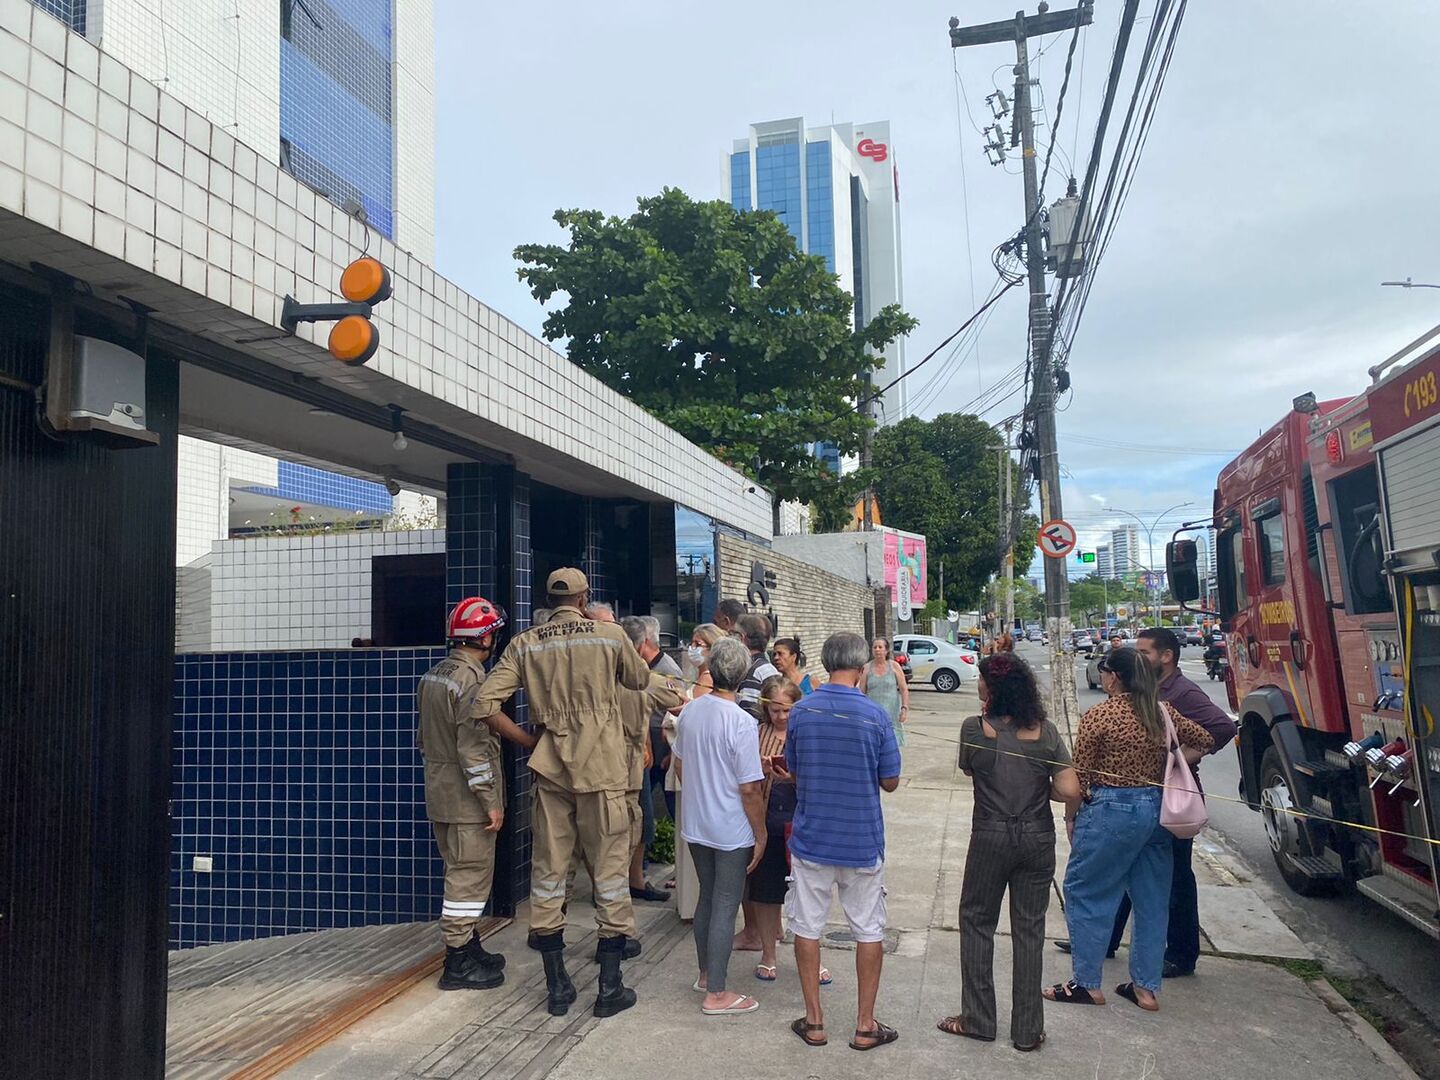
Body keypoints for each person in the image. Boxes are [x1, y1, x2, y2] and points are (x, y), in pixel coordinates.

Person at [468, 568, 652, 1019]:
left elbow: (483, 704)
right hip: (605, 770)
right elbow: (641, 680)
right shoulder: (609, 635)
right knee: (609, 873)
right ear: (585, 597)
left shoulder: (525, 643)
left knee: (549, 875)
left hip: (550, 771)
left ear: (548, 599)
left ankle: (558, 987)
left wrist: (530, 742)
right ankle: (609, 989)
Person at [1044, 647, 1212, 1012]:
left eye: (1104, 670)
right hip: (1156, 811)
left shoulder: (1099, 716)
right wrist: (1173, 763)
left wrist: (1070, 817)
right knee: (1151, 900)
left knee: (1086, 891)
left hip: (1110, 810)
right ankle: (1145, 988)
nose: (1102, 676)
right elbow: (1205, 739)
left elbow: (1080, 779)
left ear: (1114, 677)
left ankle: (1086, 983)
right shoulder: (1162, 712)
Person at [938, 653, 1079, 1051]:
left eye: (981, 680)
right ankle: (1028, 1030)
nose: (978, 685)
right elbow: (1070, 790)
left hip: (990, 836)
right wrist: (1044, 787)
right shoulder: (1046, 731)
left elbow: (972, 771)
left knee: (977, 921)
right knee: (1029, 930)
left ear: (993, 689)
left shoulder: (975, 728)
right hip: (1036, 838)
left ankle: (979, 1019)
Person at [775, 632, 902, 1052]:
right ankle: (865, 1025)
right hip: (862, 839)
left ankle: (814, 1022)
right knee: (868, 929)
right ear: (862, 667)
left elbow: (793, 768)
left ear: (827, 664)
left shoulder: (801, 712)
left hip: (812, 838)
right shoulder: (875, 716)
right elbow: (890, 781)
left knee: (806, 927)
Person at [417, 596, 536, 992]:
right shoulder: (471, 681)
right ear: (484, 639)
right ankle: (457, 960)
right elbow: (473, 748)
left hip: (440, 788)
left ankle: (468, 944)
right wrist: (490, 800)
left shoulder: (436, 674)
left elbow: (425, 737)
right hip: (468, 796)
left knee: (457, 867)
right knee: (468, 878)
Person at [1113, 628, 1237, 977]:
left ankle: (1182, 955)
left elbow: (1222, 728)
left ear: (1166, 656)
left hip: (1173, 801)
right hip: (1145, 798)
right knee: (1125, 868)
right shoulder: (1150, 690)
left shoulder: (1181, 692)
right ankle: (1105, 939)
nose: (1138, 658)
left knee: (1176, 879)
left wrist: (1180, 759)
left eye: (1144, 652)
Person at [672, 637, 768, 1016]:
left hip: (698, 823)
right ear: (742, 675)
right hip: (730, 828)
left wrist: (700, 789)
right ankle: (717, 993)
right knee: (726, 904)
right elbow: (750, 788)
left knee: (708, 899)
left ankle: (706, 973)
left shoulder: (693, 711)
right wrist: (760, 834)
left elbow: (678, 763)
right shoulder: (742, 722)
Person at [620, 616, 684, 902]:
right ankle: (614, 889)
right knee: (618, 826)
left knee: (641, 820)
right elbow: (679, 699)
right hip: (618, 758)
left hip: (638, 756)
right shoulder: (632, 675)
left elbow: (675, 700)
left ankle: (635, 881)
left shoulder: (648, 675)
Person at [746, 676, 804, 983]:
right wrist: (761, 768)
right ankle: (768, 953)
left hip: (799, 818)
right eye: (774, 711)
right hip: (767, 817)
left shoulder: (805, 732)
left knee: (806, 891)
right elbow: (742, 775)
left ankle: (811, 956)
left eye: (786, 711)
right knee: (766, 891)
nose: (780, 717)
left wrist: (792, 775)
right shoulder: (757, 733)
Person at [860, 638, 909, 750]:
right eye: (874, 647)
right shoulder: (867, 668)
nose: (877, 650)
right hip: (873, 715)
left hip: (892, 714)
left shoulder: (894, 666)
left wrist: (904, 708)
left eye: (880, 647)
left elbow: (904, 689)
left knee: (892, 748)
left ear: (886, 650)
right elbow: (861, 692)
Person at [735, 613, 780, 720]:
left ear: (742, 638)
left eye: (734, 634)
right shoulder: (770, 668)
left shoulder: (751, 671)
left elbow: (748, 716)